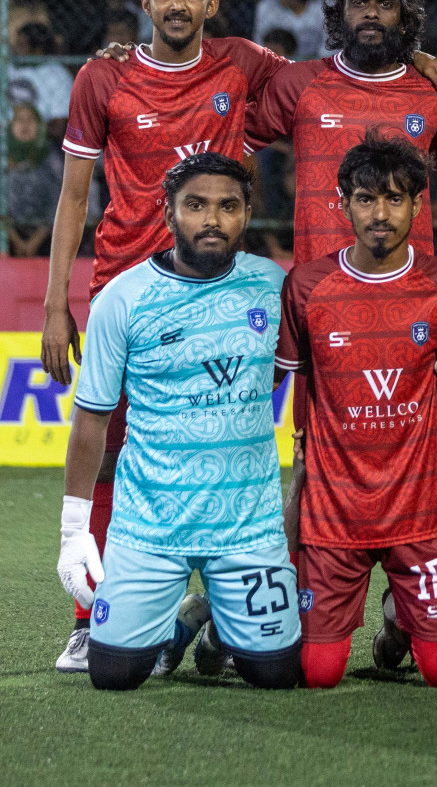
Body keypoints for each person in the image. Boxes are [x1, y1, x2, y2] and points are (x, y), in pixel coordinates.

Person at [41, 0, 290, 673]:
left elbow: (328, 87)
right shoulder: (104, 76)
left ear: (211, 4)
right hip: (126, 287)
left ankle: (216, 598)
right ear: (143, 4)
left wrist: (422, 62)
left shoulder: (244, 66)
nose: (177, 4)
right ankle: (91, 614)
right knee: (114, 454)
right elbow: (74, 197)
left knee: (220, 442)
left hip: (220, 291)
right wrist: (55, 303)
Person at [55, 152, 301, 690]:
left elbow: (299, 372)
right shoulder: (123, 299)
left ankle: (214, 621)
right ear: (168, 216)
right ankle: (177, 624)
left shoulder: (275, 286)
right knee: (113, 675)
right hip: (151, 525)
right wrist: (74, 530)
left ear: (247, 214)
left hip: (247, 524)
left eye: (227, 206)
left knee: (277, 674)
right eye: (195, 205)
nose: (212, 219)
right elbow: (92, 420)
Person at [274, 138, 437, 689]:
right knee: (318, 674)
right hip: (336, 513)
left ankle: (399, 618)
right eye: (365, 199)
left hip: (420, 510)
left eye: (396, 199)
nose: (381, 214)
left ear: (417, 207)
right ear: (342, 203)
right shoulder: (307, 285)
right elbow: (295, 378)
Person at [247, 0, 437, 267]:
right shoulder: (297, 82)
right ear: (339, 15)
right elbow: (231, 144)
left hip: (408, 287)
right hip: (320, 281)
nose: (371, 13)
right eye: (358, 2)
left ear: (406, 20)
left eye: (385, 4)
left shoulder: (436, 89)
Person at [0, 103, 64, 258]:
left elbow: (58, 201)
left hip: (47, 234)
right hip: (8, 234)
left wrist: (34, 242)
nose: (25, 125)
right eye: (19, 120)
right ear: (10, 126)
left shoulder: (51, 158)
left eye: (31, 120)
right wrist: (18, 243)